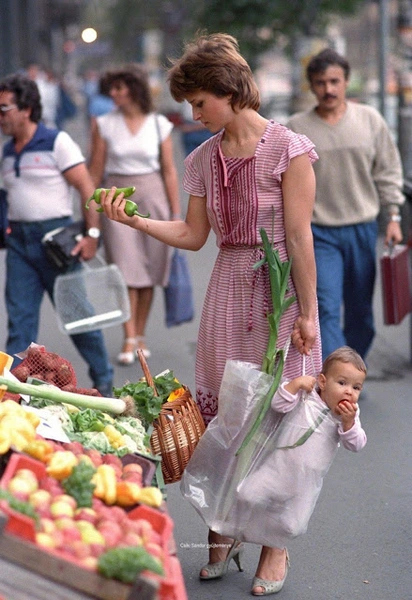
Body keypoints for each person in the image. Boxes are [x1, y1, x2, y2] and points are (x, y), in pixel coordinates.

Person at [97, 33, 322, 596]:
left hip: (280, 292)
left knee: (278, 417)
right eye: (190, 105)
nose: (193, 114)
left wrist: (310, 313)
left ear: (228, 90)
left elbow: (299, 237)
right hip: (227, 288)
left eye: (199, 102)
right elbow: (194, 236)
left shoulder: (290, 149)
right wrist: (137, 223)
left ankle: (275, 546)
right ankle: (221, 526)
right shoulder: (201, 158)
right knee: (222, 418)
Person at [287, 48, 405, 361]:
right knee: (325, 307)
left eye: (335, 81)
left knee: (361, 312)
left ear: (346, 82)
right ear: (311, 86)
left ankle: (352, 371)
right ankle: (336, 376)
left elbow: (389, 171)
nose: (328, 89)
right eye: (321, 82)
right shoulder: (296, 128)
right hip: (318, 233)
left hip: (362, 229)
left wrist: (393, 216)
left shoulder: (370, 120)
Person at [0, 73, 113, 396]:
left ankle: (103, 381)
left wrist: (92, 234)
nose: (0, 116)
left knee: (79, 318)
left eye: (4, 108)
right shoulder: (9, 151)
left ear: (26, 109)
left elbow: (86, 188)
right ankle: (14, 393)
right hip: (19, 245)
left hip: (57, 243)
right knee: (19, 321)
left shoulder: (56, 141)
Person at [237, 346, 367, 564]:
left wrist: (349, 424)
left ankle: (275, 546)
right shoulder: (307, 396)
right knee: (246, 495)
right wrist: (294, 385)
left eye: (356, 387)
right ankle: (241, 535)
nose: (349, 392)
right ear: (323, 382)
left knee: (293, 526)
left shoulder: (348, 416)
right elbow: (278, 405)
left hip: (305, 484)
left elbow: (356, 444)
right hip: (276, 469)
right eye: (342, 383)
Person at [88, 64, 181, 364]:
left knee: (151, 271)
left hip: (153, 195)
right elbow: (95, 170)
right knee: (126, 270)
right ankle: (129, 337)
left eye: (119, 87)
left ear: (133, 89)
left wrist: (175, 213)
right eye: (111, 88)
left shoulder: (159, 124)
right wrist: (90, 209)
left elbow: (169, 171)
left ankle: (140, 334)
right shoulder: (103, 123)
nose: (113, 94)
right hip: (116, 198)